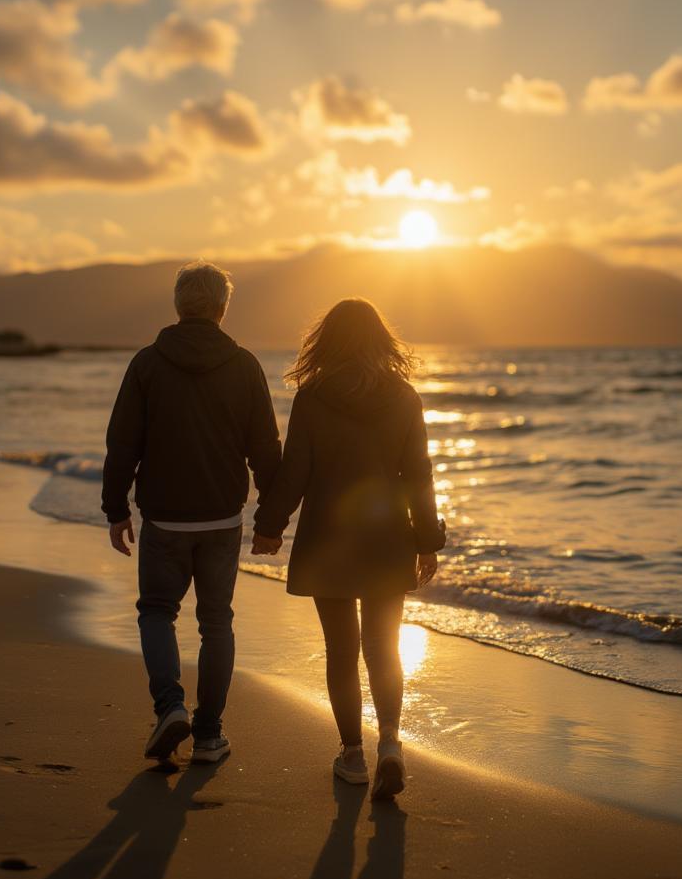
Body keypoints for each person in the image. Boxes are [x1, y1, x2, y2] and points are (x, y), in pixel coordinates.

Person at [251, 298, 445, 800]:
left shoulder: (313, 398)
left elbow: (296, 470)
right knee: (385, 648)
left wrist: (270, 525)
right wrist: (427, 540)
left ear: (327, 343)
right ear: (382, 341)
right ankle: (391, 746)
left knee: (342, 651)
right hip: (388, 542)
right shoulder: (404, 397)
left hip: (327, 540)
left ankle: (353, 754)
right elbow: (418, 476)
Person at [102, 261, 281, 764]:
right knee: (216, 622)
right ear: (223, 308)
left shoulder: (147, 363)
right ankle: (208, 736)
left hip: (164, 519)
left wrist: (115, 509)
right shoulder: (243, 364)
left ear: (179, 305)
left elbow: (122, 444)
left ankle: (169, 708)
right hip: (222, 519)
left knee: (157, 613)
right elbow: (265, 449)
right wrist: (271, 522)